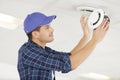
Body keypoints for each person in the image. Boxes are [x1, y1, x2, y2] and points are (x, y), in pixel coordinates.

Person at [17, 12, 109, 80]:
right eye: (47, 27)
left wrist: (86, 37)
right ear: (35, 34)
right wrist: (95, 40)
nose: (52, 29)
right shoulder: (27, 51)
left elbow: (69, 57)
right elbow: (69, 64)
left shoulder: (44, 51)